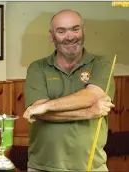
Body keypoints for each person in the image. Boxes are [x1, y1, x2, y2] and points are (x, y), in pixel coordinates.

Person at [23, 9, 115, 171]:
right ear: (52, 36)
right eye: (61, 31)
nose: (70, 36)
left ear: (83, 30)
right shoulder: (38, 68)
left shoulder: (101, 63)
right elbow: (37, 111)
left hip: (91, 167)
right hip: (42, 167)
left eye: (75, 29)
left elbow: (92, 96)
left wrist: (46, 106)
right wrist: (88, 113)